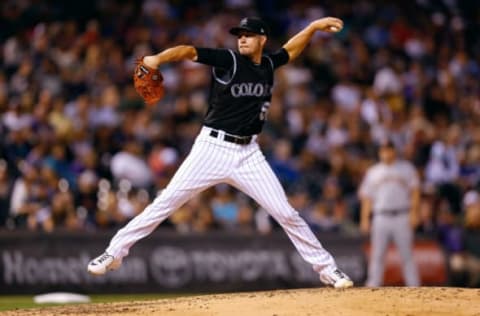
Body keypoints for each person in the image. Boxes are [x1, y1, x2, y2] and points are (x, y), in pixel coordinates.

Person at [88, 16, 353, 288]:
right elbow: (189, 51)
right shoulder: (229, 60)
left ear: (262, 39)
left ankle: (328, 269)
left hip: (249, 153)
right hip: (212, 149)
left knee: (286, 213)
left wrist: (311, 28)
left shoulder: (269, 64)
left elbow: (291, 50)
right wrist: (156, 58)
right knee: (165, 202)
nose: (242, 38)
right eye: (240, 34)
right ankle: (114, 252)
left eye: (248, 35)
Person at [359, 140, 420, 287]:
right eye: (383, 149)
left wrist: (414, 213)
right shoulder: (373, 172)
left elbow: (415, 192)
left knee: (407, 255)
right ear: (380, 152)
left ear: (394, 151)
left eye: (389, 149)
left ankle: (414, 287)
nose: (386, 152)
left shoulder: (406, 168)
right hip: (380, 216)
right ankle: (373, 285)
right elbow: (367, 197)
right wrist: (365, 219)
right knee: (377, 255)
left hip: (402, 215)